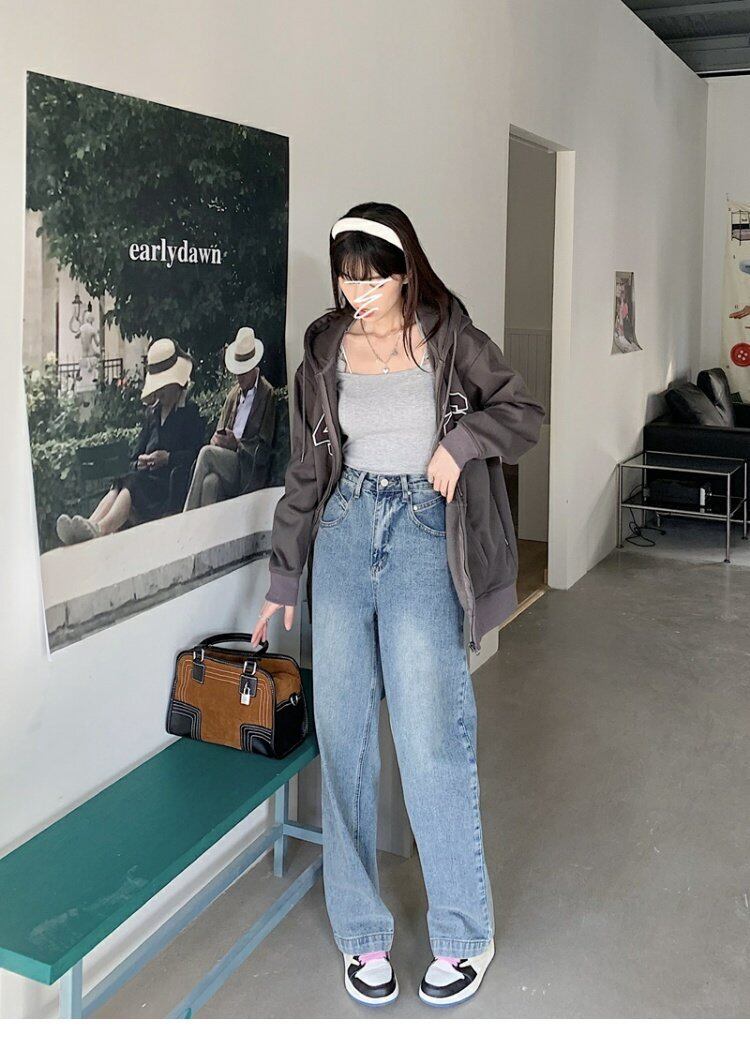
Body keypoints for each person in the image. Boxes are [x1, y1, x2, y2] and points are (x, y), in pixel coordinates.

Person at [251, 203, 544, 1008]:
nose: (358, 295)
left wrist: (460, 442)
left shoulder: (450, 336)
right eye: (346, 279)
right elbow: (308, 469)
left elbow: (521, 414)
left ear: (405, 270)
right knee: (344, 742)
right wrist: (284, 577)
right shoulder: (324, 347)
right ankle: (361, 931)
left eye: (372, 280)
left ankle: (463, 932)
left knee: (431, 737)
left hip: (422, 531)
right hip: (345, 532)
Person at [56, 337, 203, 545]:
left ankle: (100, 529)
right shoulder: (152, 414)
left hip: (167, 487)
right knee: (125, 479)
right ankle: (89, 524)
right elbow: (134, 457)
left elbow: (196, 454)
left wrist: (167, 458)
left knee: (133, 482)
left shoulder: (189, 412)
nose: (159, 393)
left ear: (176, 383)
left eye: (164, 386)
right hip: (145, 481)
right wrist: (140, 462)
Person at [183, 326, 277, 510]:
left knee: (207, 453)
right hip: (227, 463)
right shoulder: (233, 396)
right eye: (237, 372)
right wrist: (217, 440)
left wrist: (238, 445)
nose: (239, 377)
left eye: (243, 372)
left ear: (254, 368)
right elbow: (218, 433)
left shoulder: (267, 394)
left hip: (248, 467)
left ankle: (187, 516)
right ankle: (204, 528)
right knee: (210, 483)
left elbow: (264, 448)